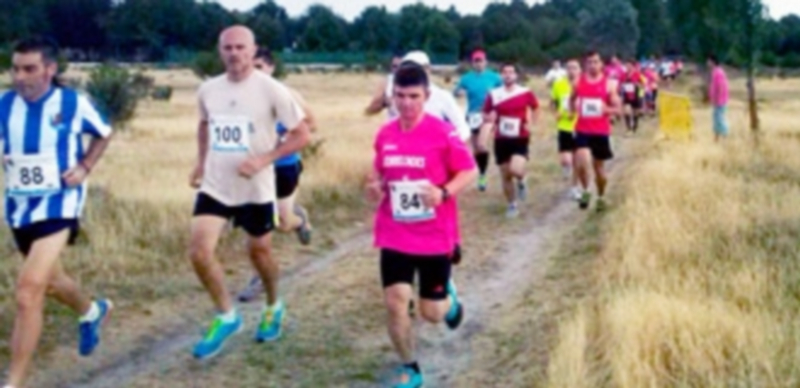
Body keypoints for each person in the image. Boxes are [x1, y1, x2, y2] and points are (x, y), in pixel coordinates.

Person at [187, 26, 310, 360]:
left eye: (241, 47)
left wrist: (264, 160)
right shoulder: (208, 89)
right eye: (227, 48)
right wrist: (200, 163)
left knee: (259, 252)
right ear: (219, 50)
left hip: (256, 187)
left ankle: (273, 305)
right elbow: (203, 125)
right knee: (199, 251)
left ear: (253, 51)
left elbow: (302, 134)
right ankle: (227, 315)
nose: (234, 53)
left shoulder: (271, 89)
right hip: (216, 184)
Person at [0, 37, 114, 388]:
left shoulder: (72, 103)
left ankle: (13, 383)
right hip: (20, 207)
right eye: (16, 68)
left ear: (50, 69)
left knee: (28, 290)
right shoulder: (4, 105)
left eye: (30, 68)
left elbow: (104, 133)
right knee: (50, 282)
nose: (21, 76)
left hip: (59, 204)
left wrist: (84, 167)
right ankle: (91, 311)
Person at [366, 61, 475, 388]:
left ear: (426, 96)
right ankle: (410, 368)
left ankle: (450, 300)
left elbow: (468, 171)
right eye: (399, 96)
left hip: (434, 236)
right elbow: (377, 172)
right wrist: (373, 185)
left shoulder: (441, 133)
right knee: (395, 301)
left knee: (432, 313)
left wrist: (443, 193)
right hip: (395, 233)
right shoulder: (385, 134)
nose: (406, 103)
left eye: (414, 96)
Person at [237, 48, 315, 303]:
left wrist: (284, 139)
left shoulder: (289, 96)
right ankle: (258, 277)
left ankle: (299, 220)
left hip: (284, 166)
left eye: (259, 67)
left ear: (270, 68)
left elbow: (311, 125)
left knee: (282, 222)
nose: (254, 73)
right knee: (257, 228)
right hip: (257, 170)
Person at [481, 63, 540, 219]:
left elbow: (535, 107)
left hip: (520, 137)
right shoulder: (493, 94)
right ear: (501, 75)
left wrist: (532, 123)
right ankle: (512, 205)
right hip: (501, 138)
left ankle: (521, 180)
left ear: (516, 75)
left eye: (511, 72)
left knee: (515, 169)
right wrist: (489, 118)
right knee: (505, 174)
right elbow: (485, 113)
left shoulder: (525, 92)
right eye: (505, 72)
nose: (508, 75)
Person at [571, 51, 622, 212]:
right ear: (585, 65)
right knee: (582, 161)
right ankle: (586, 190)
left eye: (596, 62)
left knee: (599, 170)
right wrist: (573, 110)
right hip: (582, 129)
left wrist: (606, 109)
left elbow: (618, 108)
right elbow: (572, 99)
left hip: (600, 131)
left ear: (601, 64)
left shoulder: (609, 84)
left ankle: (601, 196)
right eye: (589, 62)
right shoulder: (578, 82)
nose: (593, 65)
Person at [453, 49, 502, 191]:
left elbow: (503, 91)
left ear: (485, 62)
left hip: (488, 115)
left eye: (481, 61)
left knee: (482, 144)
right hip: (472, 115)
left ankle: (482, 175)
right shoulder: (466, 78)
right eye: (476, 61)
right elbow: (456, 91)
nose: (478, 63)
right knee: (475, 150)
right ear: (472, 63)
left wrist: (497, 110)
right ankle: (481, 173)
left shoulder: (494, 77)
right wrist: (459, 92)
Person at [400, 51, 471, 142]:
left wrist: (446, 146)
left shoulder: (442, 97)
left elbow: (462, 128)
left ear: (427, 69)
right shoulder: (399, 97)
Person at [551, 59, 582, 200]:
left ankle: (575, 188)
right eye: (569, 68)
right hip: (564, 126)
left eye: (574, 68)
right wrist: (555, 112)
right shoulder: (559, 84)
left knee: (577, 160)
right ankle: (567, 168)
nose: (572, 70)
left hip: (581, 126)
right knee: (566, 160)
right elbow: (553, 102)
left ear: (579, 70)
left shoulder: (584, 84)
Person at [365, 53, 403, 118]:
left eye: (401, 66)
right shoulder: (387, 82)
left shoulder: (418, 83)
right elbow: (370, 111)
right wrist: (384, 101)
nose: (397, 70)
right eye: (395, 66)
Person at [620, 60, 646, 135]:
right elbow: (620, 83)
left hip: (636, 95)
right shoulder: (623, 75)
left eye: (629, 66)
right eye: (626, 66)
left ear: (632, 66)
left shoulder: (637, 74)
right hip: (626, 95)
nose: (627, 67)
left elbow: (644, 83)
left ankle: (635, 125)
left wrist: (638, 85)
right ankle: (628, 128)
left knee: (635, 113)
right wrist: (621, 87)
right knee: (626, 112)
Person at [707, 54, 729, 141]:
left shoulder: (718, 72)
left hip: (720, 101)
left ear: (713, 62)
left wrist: (717, 99)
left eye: (708, 61)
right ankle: (716, 138)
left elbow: (720, 86)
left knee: (719, 119)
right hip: (717, 101)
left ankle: (725, 135)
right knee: (716, 119)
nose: (707, 63)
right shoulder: (715, 71)